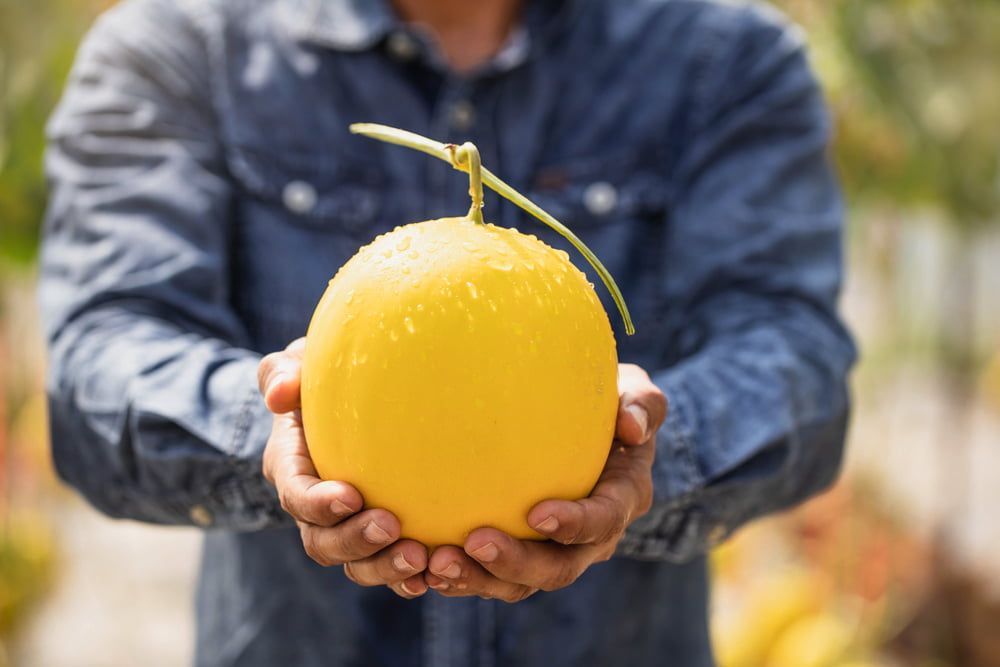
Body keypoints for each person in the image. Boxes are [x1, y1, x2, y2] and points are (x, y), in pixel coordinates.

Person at [38, 0, 856, 664]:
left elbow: (796, 361)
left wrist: (644, 454)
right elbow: (100, 364)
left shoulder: (730, 62)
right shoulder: (175, 50)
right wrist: (281, 427)